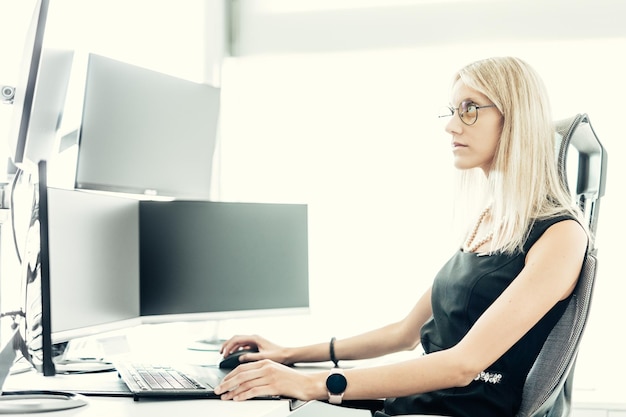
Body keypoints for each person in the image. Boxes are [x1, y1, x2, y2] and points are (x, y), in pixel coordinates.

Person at [213, 56, 590, 417]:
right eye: (453, 110)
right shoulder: (490, 222)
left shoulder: (561, 236)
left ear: (516, 118)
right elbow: (403, 334)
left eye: (470, 108)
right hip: (414, 405)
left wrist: (311, 384)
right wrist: (288, 354)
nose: (451, 125)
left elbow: (463, 365)